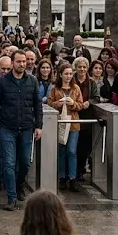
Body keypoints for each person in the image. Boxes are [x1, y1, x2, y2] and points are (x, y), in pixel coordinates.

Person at [0, 51, 43, 211]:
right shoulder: (3, 81)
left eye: (24, 61)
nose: (22, 64)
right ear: (12, 62)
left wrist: (39, 125)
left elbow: (38, 104)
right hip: (7, 127)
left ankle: (20, 186)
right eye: (19, 61)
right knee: (9, 163)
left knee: (25, 162)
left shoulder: (32, 81)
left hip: (27, 127)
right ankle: (11, 197)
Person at [47, 62, 82, 193]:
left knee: (72, 151)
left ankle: (72, 178)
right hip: (60, 122)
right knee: (61, 150)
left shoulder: (76, 88)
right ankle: (62, 177)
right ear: (60, 74)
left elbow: (80, 105)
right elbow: (49, 103)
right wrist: (59, 103)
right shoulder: (54, 88)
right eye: (66, 74)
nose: (68, 76)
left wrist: (73, 103)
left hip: (73, 123)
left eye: (70, 74)